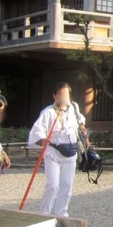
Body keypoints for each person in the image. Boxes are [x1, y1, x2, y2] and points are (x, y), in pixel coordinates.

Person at [28, 82, 90, 216]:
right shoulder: (48, 112)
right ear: (54, 96)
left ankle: (62, 213)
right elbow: (37, 131)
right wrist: (42, 140)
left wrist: (84, 133)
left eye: (66, 94)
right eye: (61, 94)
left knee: (67, 185)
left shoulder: (74, 107)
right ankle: (44, 213)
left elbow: (80, 121)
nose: (63, 97)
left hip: (71, 150)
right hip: (53, 152)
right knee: (52, 185)